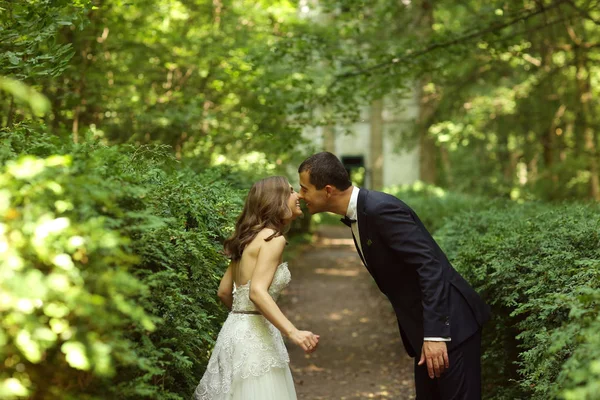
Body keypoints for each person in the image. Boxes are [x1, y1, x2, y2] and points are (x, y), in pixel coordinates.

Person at [297, 152, 490, 400]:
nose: (301, 196)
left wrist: (435, 335)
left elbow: (430, 266)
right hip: (424, 333)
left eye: (304, 189)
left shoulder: (380, 210)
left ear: (328, 190)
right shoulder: (361, 212)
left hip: (450, 328)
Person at [193, 176, 319, 400]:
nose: (298, 195)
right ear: (275, 200)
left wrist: (243, 317)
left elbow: (224, 291)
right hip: (256, 338)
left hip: (234, 331)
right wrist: (293, 332)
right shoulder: (273, 239)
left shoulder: (246, 239)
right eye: (290, 191)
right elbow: (257, 292)